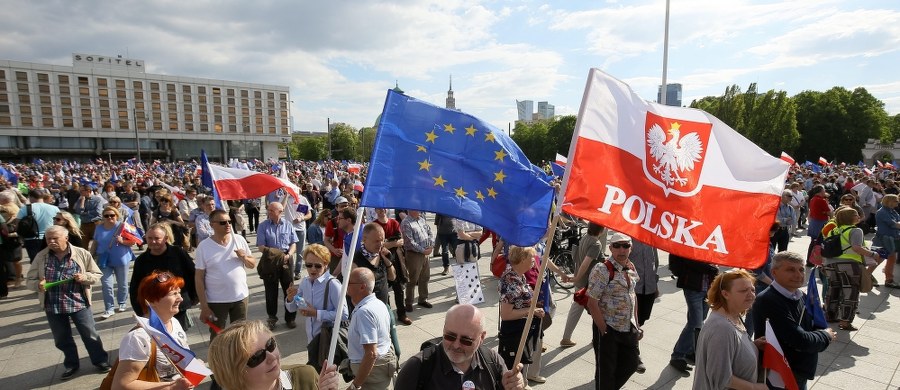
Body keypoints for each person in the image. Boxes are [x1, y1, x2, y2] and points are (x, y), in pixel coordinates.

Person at [26, 225, 111, 380]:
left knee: (90, 334)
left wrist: (85, 277)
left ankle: (100, 361)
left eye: (54, 238)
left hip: (78, 303)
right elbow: (29, 281)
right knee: (61, 338)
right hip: (53, 305)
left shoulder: (81, 253)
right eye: (48, 238)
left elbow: (96, 274)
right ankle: (71, 364)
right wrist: (38, 285)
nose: (51, 241)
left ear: (66, 238)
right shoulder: (41, 256)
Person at [751, 251, 837, 390]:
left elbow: (813, 326)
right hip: (781, 374)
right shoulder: (769, 300)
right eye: (790, 270)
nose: (798, 275)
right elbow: (800, 339)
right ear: (774, 272)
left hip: (799, 371)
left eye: (801, 269)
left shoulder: (801, 295)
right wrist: (826, 336)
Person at [394, 304, 526, 389]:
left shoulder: (492, 361)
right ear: (444, 329)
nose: (456, 345)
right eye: (450, 336)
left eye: (466, 340)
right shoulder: (417, 367)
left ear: (482, 338)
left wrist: (512, 386)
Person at [110, 271, 194, 389]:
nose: (180, 298)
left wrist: (193, 367)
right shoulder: (138, 337)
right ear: (152, 300)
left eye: (179, 293)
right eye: (173, 294)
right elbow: (121, 386)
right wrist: (171, 387)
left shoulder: (174, 322)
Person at [207, 320, 341, 390]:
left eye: (270, 345)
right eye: (257, 357)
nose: (271, 357)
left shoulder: (305, 377)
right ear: (233, 372)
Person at [692, 269, 766, 390]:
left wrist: (752, 346)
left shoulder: (734, 316)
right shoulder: (721, 328)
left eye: (752, 289)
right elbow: (720, 377)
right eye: (743, 291)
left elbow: (732, 351)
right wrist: (755, 387)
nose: (751, 294)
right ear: (725, 294)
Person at [586, 233, 641, 390]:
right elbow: (592, 302)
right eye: (617, 246)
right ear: (610, 248)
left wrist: (636, 324)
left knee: (631, 364)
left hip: (627, 327)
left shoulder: (630, 267)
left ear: (631, 248)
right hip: (608, 328)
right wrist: (603, 329)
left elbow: (633, 295)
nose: (621, 249)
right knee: (606, 373)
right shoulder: (602, 269)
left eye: (625, 246)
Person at [196, 209, 257, 339]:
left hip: (240, 297)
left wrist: (244, 257)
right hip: (217, 301)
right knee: (218, 335)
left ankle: (239, 358)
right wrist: (204, 305)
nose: (228, 225)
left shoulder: (239, 240)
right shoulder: (204, 246)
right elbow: (199, 278)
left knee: (240, 334)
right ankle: (217, 359)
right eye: (223, 222)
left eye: (229, 221)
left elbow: (252, 264)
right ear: (212, 224)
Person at [285, 244, 347, 370]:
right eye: (308, 265)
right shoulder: (305, 282)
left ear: (326, 265)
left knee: (324, 378)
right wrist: (291, 298)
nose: (312, 269)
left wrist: (316, 313)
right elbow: (292, 308)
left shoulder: (333, 284)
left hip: (327, 341)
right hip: (312, 341)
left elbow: (344, 314)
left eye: (317, 265)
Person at [130, 224, 198, 330]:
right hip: (154, 309)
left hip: (178, 306)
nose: (153, 241)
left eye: (157, 238)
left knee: (177, 337)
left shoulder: (178, 253)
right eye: (149, 238)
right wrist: (141, 311)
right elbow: (135, 288)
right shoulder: (141, 261)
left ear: (166, 239)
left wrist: (194, 298)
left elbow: (193, 274)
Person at [822, 207, 877, 331]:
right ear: (849, 218)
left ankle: (830, 315)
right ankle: (845, 321)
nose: (858, 216)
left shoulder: (833, 230)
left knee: (833, 290)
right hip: (849, 265)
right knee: (850, 292)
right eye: (856, 215)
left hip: (830, 264)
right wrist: (873, 254)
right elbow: (857, 248)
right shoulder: (856, 230)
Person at [346, 267, 396, 390]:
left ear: (362, 287)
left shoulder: (364, 312)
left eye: (349, 282)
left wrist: (355, 385)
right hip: (377, 369)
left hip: (372, 375)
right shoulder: (378, 303)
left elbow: (371, 354)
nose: (345, 284)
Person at [668, 254, 719, 374]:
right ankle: (677, 355)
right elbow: (686, 261)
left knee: (700, 320)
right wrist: (709, 268)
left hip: (708, 287)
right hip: (693, 287)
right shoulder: (689, 242)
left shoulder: (710, 240)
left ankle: (690, 350)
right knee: (695, 323)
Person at [497, 246, 544, 374]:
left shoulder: (518, 275)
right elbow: (506, 315)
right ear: (523, 259)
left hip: (521, 329)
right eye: (531, 257)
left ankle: (524, 383)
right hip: (514, 332)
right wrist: (531, 311)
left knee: (521, 364)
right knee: (513, 369)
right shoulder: (512, 281)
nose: (534, 260)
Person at [90, 206, 139, 319]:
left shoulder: (122, 226)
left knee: (121, 283)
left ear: (117, 216)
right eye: (106, 216)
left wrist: (122, 241)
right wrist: (90, 256)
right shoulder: (99, 227)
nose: (109, 218)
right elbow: (95, 243)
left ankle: (122, 302)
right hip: (104, 259)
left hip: (121, 258)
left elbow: (133, 242)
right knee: (106, 284)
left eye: (112, 215)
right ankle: (109, 308)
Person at [256, 202, 299, 330]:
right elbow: (261, 247)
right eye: (268, 210)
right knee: (270, 292)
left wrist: (289, 255)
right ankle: (272, 318)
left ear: (280, 212)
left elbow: (294, 243)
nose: (268, 212)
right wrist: (278, 255)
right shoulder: (263, 226)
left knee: (289, 290)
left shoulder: (288, 224)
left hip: (286, 260)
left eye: (271, 210)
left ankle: (290, 318)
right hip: (270, 261)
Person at [561, 222, 605, 347]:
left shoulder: (585, 237)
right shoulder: (596, 244)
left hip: (582, 281)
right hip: (587, 283)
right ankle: (597, 338)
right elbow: (586, 263)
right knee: (597, 310)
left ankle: (566, 337)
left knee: (577, 309)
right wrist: (577, 278)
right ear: (601, 230)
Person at [629, 238, 659, 374]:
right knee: (634, 324)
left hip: (649, 287)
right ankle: (634, 356)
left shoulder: (650, 237)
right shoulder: (628, 239)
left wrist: (655, 284)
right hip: (634, 289)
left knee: (641, 320)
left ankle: (630, 348)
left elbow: (655, 262)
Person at [400, 209, 435, 312]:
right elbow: (410, 242)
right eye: (416, 208)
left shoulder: (421, 219)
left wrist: (431, 246)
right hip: (414, 254)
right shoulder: (406, 222)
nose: (419, 210)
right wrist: (423, 251)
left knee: (425, 277)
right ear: (410, 210)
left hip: (425, 253)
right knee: (412, 279)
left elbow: (430, 233)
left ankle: (423, 299)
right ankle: (409, 302)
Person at [16, 188, 60, 261]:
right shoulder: (55, 208)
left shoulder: (25, 209)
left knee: (35, 263)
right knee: (51, 261)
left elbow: (18, 225)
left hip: (32, 239)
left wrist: (21, 237)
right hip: (51, 237)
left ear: (30, 197)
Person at [873, 194, 900, 288]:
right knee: (882, 258)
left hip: (891, 238)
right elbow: (893, 224)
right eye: (896, 200)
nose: (898, 202)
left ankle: (888, 279)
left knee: (885, 258)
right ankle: (888, 279)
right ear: (890, 201)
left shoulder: (892, 211)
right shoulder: (883, 212)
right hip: (884, 239)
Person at [73, 184, 103, 249]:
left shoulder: (97, 199)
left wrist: (85, 213)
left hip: (95, 224)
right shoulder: (80, 199)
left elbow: (97, 212)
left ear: (88, 191)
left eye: (82, 191)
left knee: (97, 243)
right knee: (83, 244)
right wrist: (82, 202)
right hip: (84, 224)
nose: (80, 192)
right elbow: (78, 211)